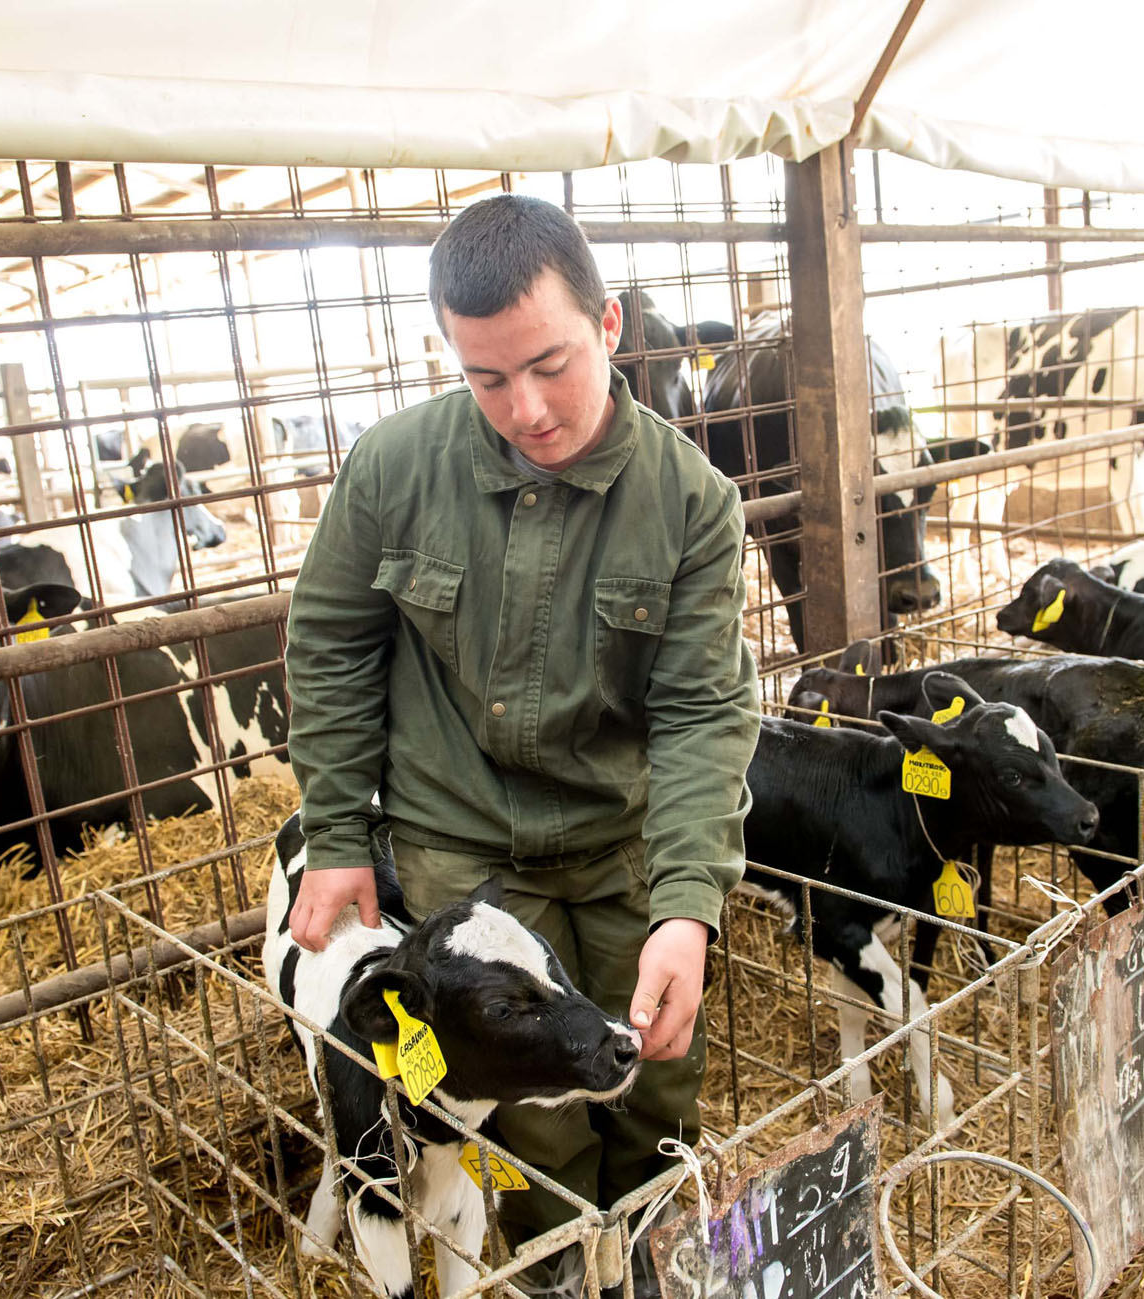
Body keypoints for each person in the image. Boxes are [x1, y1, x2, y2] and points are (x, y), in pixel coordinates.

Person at [282, 192, 760, 1278]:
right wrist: (339, 828)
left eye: (549, 363)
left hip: (616, 840)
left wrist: (686, 904)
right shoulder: (394, 468)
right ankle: (554, 1268)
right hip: (465, 847)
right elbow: (330, 645)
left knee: (652, 1074)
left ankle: (645, 1257)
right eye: (485, 378)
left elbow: (698, 712)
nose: (526, 408)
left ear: (609, 325)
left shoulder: (690, 503)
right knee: (526, 1111)